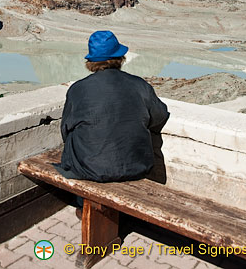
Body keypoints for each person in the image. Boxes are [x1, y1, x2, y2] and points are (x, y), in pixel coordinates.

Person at [54, 30, 169, 194]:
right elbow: (160, 116)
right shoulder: (140, 85)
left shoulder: (78, 89)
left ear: (91, 62)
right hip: (137, 167)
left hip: (90, 169)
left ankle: (81, 203)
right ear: (120, 58)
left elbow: (65, 130)